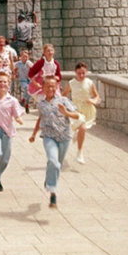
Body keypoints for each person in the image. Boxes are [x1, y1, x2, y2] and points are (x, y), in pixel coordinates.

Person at [29, 76, 84, 207]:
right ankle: (52, 192)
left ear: (57, 87)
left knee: (56, 165)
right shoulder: (41, 104)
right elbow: (40, 119)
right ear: (43, 87)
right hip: (49, 137)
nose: (51, 89)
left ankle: (49, 179)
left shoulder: (63, 101)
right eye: (48, 86)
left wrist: (66, 113)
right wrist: (34, 134)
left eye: (53, 86)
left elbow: (77, 115)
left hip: (64, 137)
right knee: (54, 162)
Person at [68, 61, 101, 163]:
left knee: (82, 129)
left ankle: (77, 135)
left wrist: (93, 101)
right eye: (79, 73)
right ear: (75, 72)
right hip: (76, 110)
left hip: (88, 110)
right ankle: (79, 153)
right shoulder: (71, 83)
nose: (81, 75)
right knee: (82, 127)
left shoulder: (89, 83)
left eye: (83, 73)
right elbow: (64, 94)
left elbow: (97, 96)